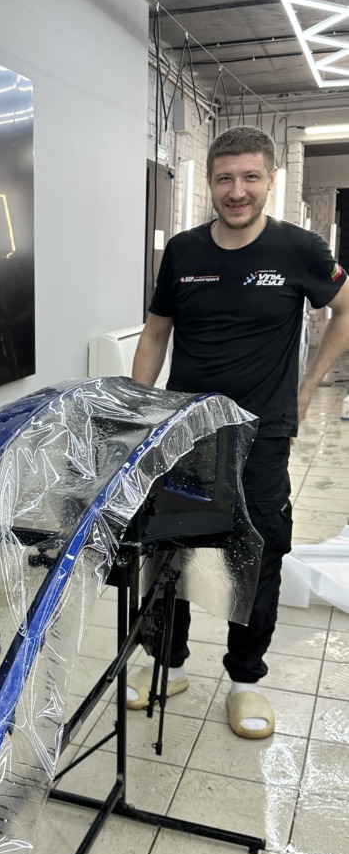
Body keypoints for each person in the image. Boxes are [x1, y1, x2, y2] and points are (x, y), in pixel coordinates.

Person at [129, 124, 349, 739]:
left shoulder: (300, 250)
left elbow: (345, 309)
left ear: (271, 180)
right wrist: (138, 413)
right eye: (225, 178)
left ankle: (246, 681)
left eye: (250, 177)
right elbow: (155, 333)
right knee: (168, 551)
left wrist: (308, 387)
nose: (237, 190)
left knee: (256, 554)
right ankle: (167, 664)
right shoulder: (183, 252)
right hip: (187, 432)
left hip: (261, 436)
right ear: (209, 182)